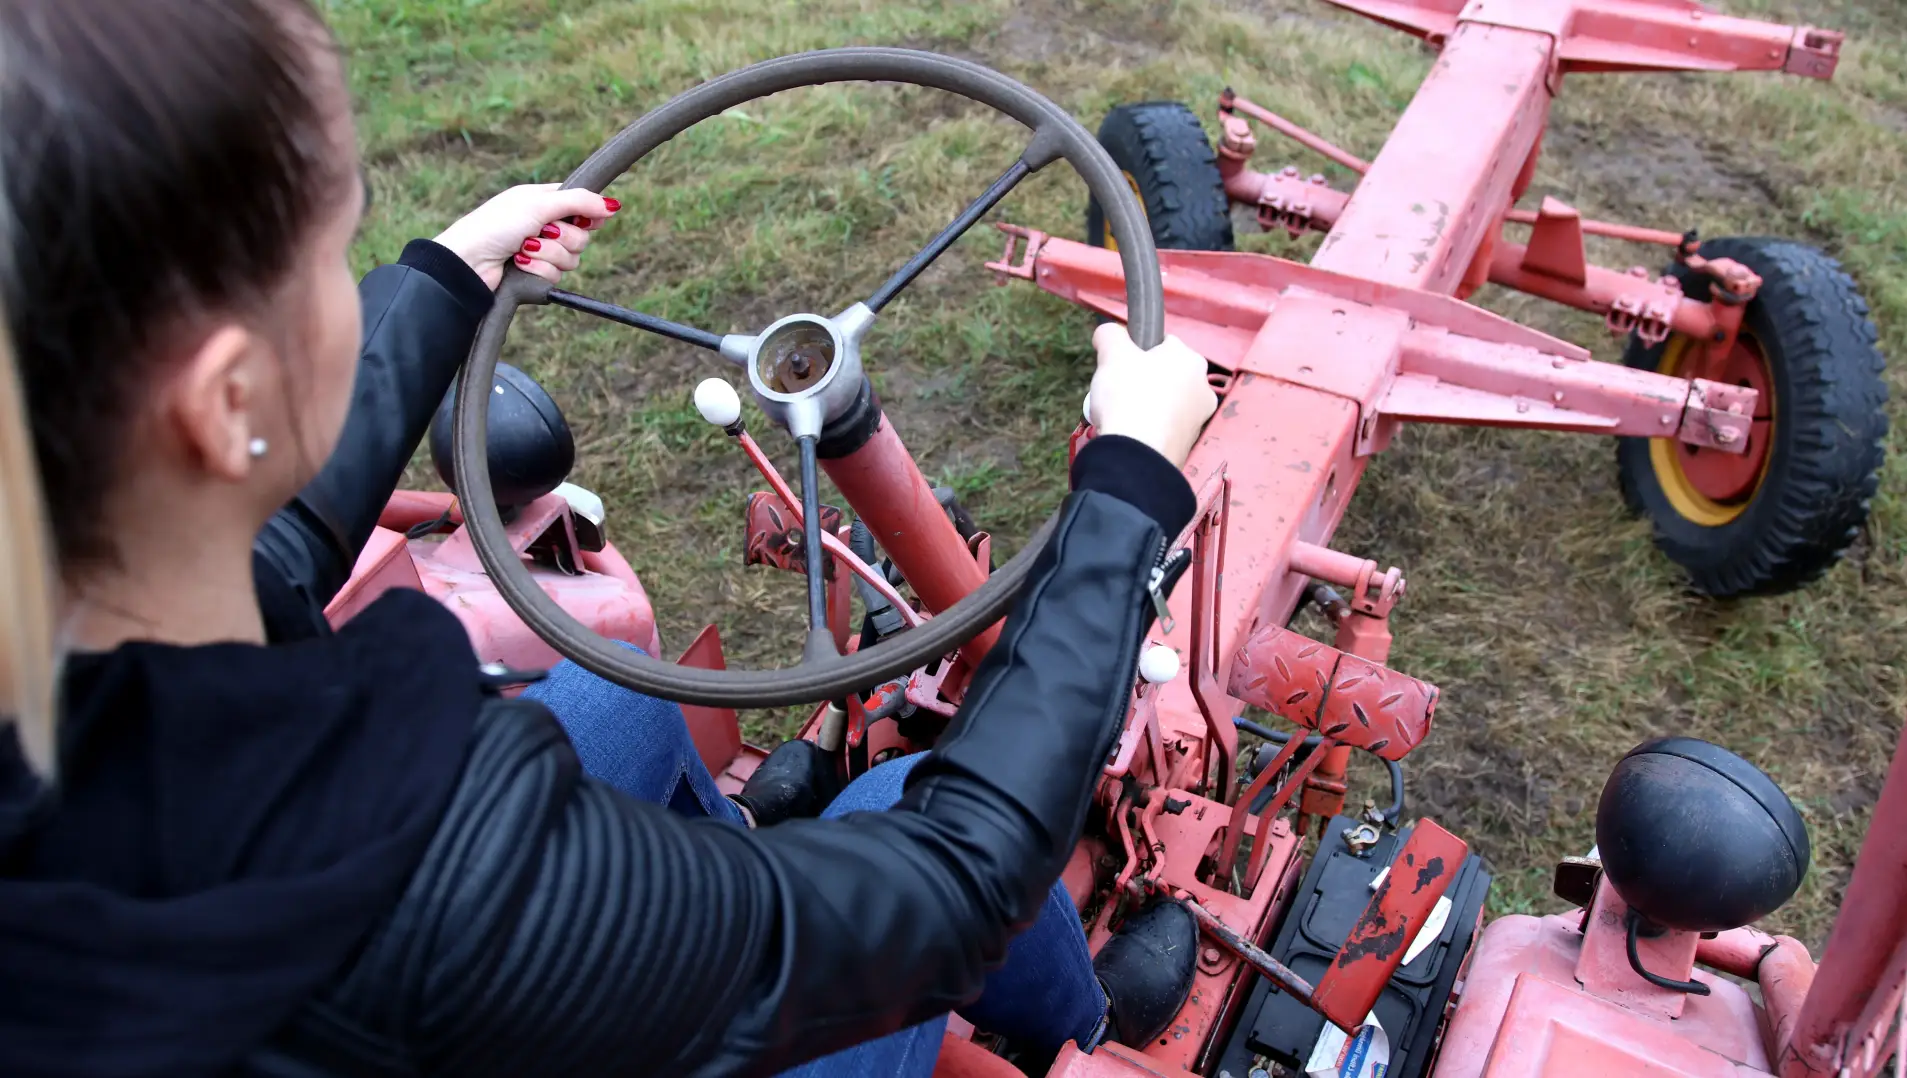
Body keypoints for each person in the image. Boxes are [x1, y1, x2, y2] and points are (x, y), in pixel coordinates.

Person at [0, 3, 1221, 1078]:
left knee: (610, 698)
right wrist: (1124, 490)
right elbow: (955, 889)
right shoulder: (410, 881)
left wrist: (445, 276)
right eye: (330, 257)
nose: (345, 287)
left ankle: (734, 853)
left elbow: (272, 549)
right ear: (224, 404)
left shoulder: (71, 620)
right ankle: (1081, 1023)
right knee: (904, 799)